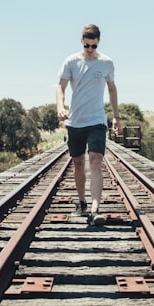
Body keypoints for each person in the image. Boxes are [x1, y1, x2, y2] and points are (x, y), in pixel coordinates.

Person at [56, 23, 119, 224]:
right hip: (75, 121)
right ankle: (82, 202)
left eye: (94, 46)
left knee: (95, 161)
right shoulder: (71, 61)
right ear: (82, 42)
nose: (90, 50)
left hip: (97, 121)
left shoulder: (106, 63)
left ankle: (95, 210)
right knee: (78, 163)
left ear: (98, 42)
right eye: (87, 46)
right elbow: (61, 86)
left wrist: (116, 116)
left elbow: (112, 89)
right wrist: (60, 106)